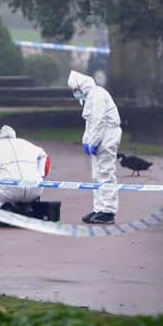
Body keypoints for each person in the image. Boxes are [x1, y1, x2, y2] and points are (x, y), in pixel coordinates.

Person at [67, 70, 122, 224]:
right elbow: (90, 124)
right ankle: (99, 209)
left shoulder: (97, 95)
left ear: (80, 87)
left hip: (108, 135)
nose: (75, 94)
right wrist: (87, 141)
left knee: (106, 173)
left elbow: (99, 122)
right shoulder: (90, 97)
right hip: (101, 136)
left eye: (75, 90)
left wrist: (93, 142)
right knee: (97, 175)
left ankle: (108, 211)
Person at [0, 125, 50, 225]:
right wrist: (40, 175)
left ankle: (5, 211)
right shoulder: (24, 142)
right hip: (35, 190)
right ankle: (27, 207)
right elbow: (44, 156)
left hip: (11, 191)